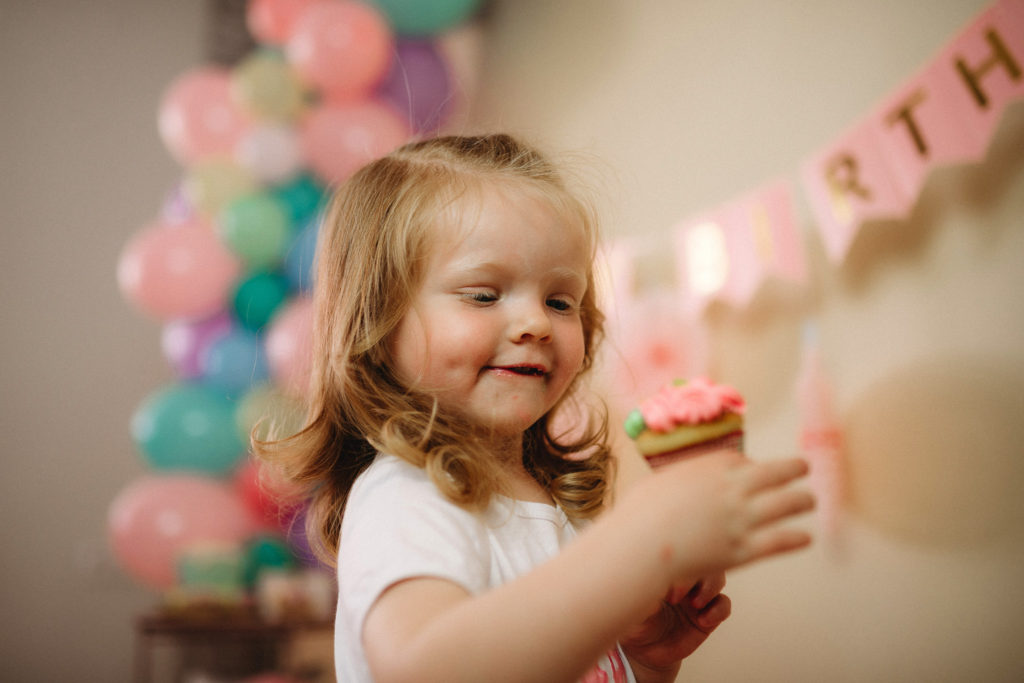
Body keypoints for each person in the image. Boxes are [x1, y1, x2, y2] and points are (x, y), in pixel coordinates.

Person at [257, 134, 814, 682]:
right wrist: (640, 541)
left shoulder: (555, 503)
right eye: (483, 295)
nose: (537, 323)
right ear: (378, 323)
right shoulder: (407, 494)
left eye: (560, 301)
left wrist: (647, 661)